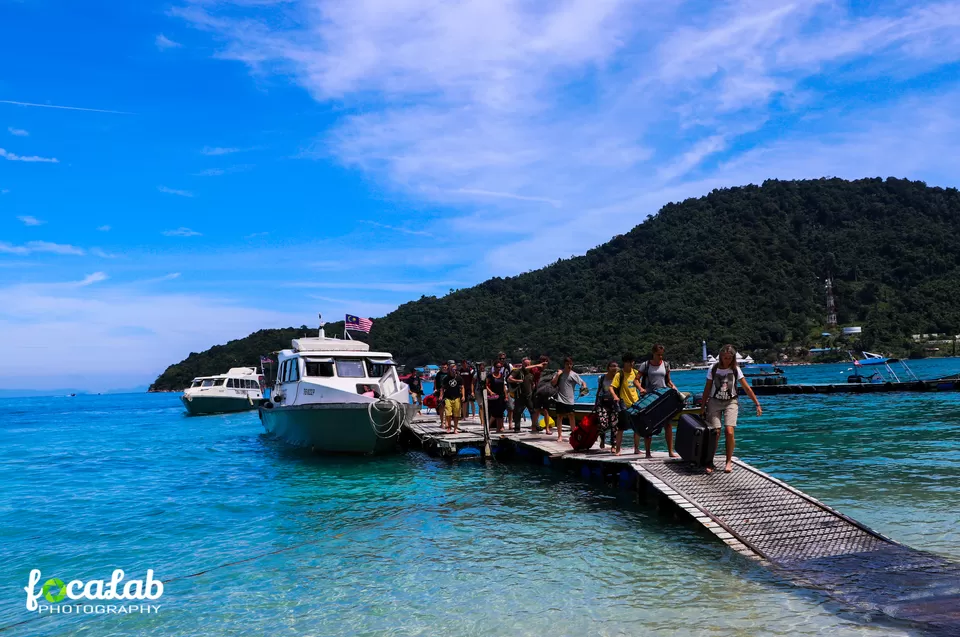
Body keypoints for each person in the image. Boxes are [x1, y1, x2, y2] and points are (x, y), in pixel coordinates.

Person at [701, 344, 763, 474]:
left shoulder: (735, 369)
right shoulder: (713, 368)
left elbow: (746, 387)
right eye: (724, 357)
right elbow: (707, 388)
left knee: (729, 431)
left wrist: (757, 403)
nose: (726, 360)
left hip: (731, 401)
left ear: (733, 358)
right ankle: (710, 461)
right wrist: (702, 406)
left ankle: (728, 461)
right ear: (720, 356)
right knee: (715, 432)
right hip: (714, 401)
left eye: (729, 358)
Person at [637, 344, 680, 458]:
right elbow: (636, 380)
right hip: (650, 398)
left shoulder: (665, 365)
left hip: (663, 397)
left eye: (662, 355)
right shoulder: (645, 365)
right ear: (653, 353)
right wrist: (641, 389)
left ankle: (670, 451)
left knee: (668, 424)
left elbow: (668, 380)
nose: (660, 357)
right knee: (649, 424)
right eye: (658, 355)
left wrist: (674, 387)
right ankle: (647, 453)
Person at [610, 352, 641, 456]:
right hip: (624, 405)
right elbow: (611, 387)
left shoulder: (636, 373)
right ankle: (618, 449)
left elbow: (639, 385)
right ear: (624, 363)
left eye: (632, 362)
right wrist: (615, 396)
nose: (631, 364)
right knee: (621, 428)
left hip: (636, 404)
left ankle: (636, 449)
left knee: (637, 428)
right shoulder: (620, 374)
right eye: (629, 362)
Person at [550, 356, 587, 442]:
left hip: (570, 399)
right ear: (564, 364)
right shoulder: (560, 373)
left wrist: (584, 388)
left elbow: (583, 382)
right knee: (559, 416)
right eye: (567, 364)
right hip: (559, 398)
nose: (569, 366)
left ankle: (573, 434)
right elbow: (553, 383)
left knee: (571, 416)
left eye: (570, 364)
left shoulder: (574, 375)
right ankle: (559, 436)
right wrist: (558, 375)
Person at [595, 361, 620, 449]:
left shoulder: (618, 378)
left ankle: (613, 445)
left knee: (614, 425)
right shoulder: (602, 378)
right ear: (608, 367)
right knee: (603, 423)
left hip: (614, 403)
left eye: (616, 366)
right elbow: (599, 391)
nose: (615, 368)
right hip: (603, 403)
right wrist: (595, 403)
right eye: (613, 366)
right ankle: (602, 439)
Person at [510, 357, 536, 433]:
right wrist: (518, 380)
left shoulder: (531, 373)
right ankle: (517, 428)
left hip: (529, 395)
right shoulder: (518, 371)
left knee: (533, 411)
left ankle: (535, 426)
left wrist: (533, 385)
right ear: (522, 364)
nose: (527, 366)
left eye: (528, 364)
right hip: (519, 395)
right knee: (518, 412)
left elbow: (532, 382)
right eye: (525, 364)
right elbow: (509, 379)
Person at [440, 362, 465, 433]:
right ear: (450, 370)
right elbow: (442, 388)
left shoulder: (459, 378)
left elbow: (462, 387)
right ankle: (449, 427)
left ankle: (455, 428)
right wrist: (441, 396)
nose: (454, 371)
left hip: (457, 397)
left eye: (455, 369)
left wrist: (463, 396)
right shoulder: (446, 378)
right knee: (448, 413)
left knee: (456, 414)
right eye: (453, 369)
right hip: (448, 397)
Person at [485, 360, 509, 433]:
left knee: (500, 412)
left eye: (500, 367)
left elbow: (503, 387)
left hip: (501, 396)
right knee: (495, 413)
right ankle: (488, 426)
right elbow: (485, 385)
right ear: (494, 367)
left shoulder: (502, 375)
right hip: (494, 396)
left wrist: (506, 396)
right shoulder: (490, 376)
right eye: (497, 367)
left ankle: (499, 428)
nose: (498, 368)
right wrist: (490, 392)